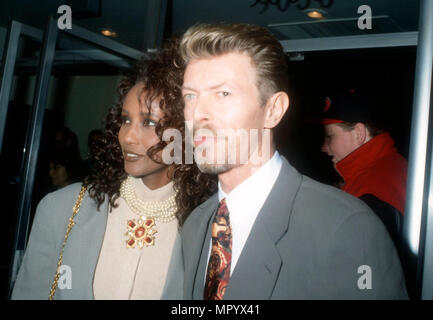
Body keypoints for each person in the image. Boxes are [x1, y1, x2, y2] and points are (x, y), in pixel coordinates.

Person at [169, 23, 408, 299]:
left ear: (273, 110)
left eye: (223, 93)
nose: (197, 113)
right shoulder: (196, 225)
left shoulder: (348, 227)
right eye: (190, 96)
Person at [11, 38, 216, 300]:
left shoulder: (213, 226)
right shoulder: (61, 208)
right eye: (125, 119)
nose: (127, 136)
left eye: (149, 122)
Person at [318, 90, 407, 251]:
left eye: (330, 136)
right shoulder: (393, 167)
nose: (324, 147)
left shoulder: (369, 192)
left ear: (359, 133)